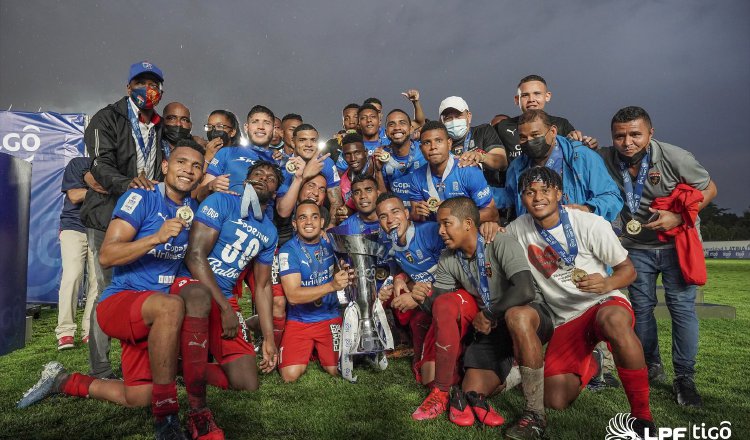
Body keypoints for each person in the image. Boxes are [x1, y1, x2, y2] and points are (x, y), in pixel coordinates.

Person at [19, 140, 223, 440]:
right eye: (181, 162)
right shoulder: (140, 197)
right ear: (165, 166)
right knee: (171, 306)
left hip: (156, 315)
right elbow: (107, 255)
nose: (188, 170)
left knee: (138, 396)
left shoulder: (190, 208)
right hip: (122, 300)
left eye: (196, 166)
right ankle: (167, 419)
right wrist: (155, 237)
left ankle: (62, 380)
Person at [506, 166, 656, 438]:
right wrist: (491, 225)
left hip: (602, 303)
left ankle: (642, 417)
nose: (537, 197)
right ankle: (594, 362)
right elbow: (493, 248)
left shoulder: (590, 223)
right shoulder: (517, 229)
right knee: (555, 399)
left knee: (614, 324)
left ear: (559, 194)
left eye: (545, 190)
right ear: (522, 198)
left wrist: (607, 283)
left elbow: (628, 270)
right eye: (529, 192)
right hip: (566, 319)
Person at [598, 106, 717, 407]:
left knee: (681, 308)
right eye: (620, 136)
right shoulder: (604, 158)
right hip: (637, 247)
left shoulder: (676, 157)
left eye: (635, 134)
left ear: (651, 133)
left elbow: (710, 188)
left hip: (677, 244)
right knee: (641, 309)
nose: (627, 142)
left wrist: (678, 217)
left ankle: (685, 378)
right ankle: (652, 365)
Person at [406, 197, 541, 431]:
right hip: (490, 327)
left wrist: (489, 314)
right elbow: (439, 306)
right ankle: (515, 373)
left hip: (524, 316)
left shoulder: (499, 242)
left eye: (446, 223)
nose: (440, 231)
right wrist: (422, 299)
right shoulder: (449, 258)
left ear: (468, 223)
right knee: (471, 390)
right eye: (439, 225)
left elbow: (525, 290)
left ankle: (535, 412)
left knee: (516, 317)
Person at [80, 60, 167, 380]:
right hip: (106, 215)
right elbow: (99, 165)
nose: (149, 89)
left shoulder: (158, 124)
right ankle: (100, 368)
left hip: (142, 218)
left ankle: (139, 361)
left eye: (155, 84)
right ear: (128, 87)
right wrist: (128, 183)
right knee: (106, 290)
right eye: (142, 83)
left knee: (140, 288)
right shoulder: (108, 117)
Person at [182, 160, 282, 392]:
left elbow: (263, 286)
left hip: (225, 296)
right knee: (198, 298)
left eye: (270, 178)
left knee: (247, 384)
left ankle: (181, 366)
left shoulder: (269, 231)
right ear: (246, 181)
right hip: (191, 287)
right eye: (258, 174)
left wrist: (268, 338)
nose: (263, 179)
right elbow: (195, 256)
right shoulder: (222, 201)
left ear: (275, 192)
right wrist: (226, 308)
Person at [277, 201, 354, 382]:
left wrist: (345, 268)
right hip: (300, 320)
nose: (309, 222)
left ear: (321, 223)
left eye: (314, 217)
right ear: (295, 224)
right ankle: (309, 348)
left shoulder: (333, 243)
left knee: (337, 370)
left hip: (329, 316)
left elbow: (345, 268)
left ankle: (317, 349)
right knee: (290, 375)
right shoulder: (288, 251)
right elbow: (293, 296)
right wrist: (331, 287)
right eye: (302, 217)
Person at [504, 109, 623, 222]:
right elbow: (507, 198)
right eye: (523, 137)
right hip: (533, 237)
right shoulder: (517, 166)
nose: (529, 141)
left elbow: (612, 197)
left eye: (535, 135)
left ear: (553, 132)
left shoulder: (582, 157)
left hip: (578, 232)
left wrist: (586, 209)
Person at [375, 193, 440, 385]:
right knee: (391, 298)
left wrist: (417, 296)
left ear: (406, 213)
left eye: (395, 212)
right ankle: (404, 342)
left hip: (448, 294)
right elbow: (402, 265)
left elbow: (453, 274)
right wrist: (399, 278)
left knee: (431, 378)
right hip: (427, 298)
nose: (390, 220)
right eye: (383, 216)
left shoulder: (430, 231)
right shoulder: (390, 243)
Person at [406, 120, 499, 224]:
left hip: (464, 235)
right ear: (421, 148)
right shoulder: (416, 176)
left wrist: (457, 215)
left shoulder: (468, 170)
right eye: (427, 143)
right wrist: (417, 214)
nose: (433, 147)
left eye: (439, 141)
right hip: (434, 234)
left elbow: (492, 213)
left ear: (449, 143)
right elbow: (416, 216)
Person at [495, 74, 597, 164]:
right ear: (517, 100)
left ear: (547, 96)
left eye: (537, 94)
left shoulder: (561, 124)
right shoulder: (502, 127)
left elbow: (577, 155)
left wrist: (585, 144)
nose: (531, 99)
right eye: (525, 95)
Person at [55, 157, 100, 350]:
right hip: (74, 227)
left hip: (100, 229)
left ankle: (89, 331)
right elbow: (74, 195)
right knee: (72, 276)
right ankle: (65, 332)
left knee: (97, 281)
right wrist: (103, 190)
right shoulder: (80, 163)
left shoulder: (114, 167)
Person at [438, 96, 509, 210]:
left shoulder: (483, 131)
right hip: (456, 203)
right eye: (448, 118)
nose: (454, 121)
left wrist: (481, 156)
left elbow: (502, 161)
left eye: (458, 116)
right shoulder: (439, 144)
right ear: (441, 122)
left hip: (491, 200)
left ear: (469, 116)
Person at [199, 105, 275, 199]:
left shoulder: (280, 161)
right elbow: (199, 196)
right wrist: (210, 186)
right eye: (255, 122)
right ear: (246, 127)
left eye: (267, 123)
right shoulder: (226, 153)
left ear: (274, 129)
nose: (260, 127)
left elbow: (283, 210)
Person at [275, 124, 343, 222]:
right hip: (286, 225)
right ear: (293, 142)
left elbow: (336, 203)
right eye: (302, 140)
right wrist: (305, 175)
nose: (309, 144)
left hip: (316, 220)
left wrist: (330, 227)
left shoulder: (326, 163)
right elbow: (283, 212)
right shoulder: (283, 165)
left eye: (313, 140)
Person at [375, 109, 427, 193]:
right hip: (395, 205)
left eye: (402, 123)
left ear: (411, 129)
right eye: (391, 124)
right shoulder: (382, 156)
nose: (397, 128)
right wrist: (377, 171)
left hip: (423, 205)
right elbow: (383, 198)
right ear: (386, 132)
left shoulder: (425, 150)